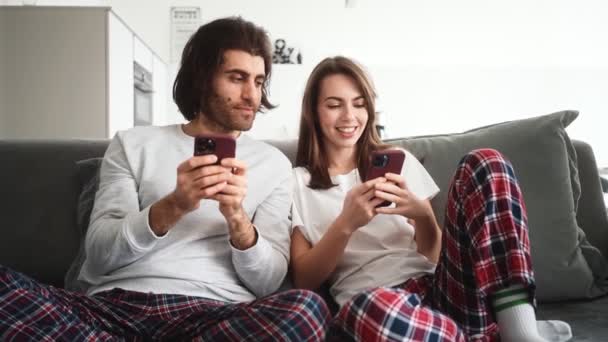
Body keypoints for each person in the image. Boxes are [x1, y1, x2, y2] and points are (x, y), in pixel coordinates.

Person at [0, 17, 330, 341]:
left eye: (258, 82)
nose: (251, 95)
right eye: (237, 78)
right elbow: (100, 254)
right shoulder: (132, 144)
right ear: (202, 80)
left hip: (215, 314)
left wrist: (238, 221)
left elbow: (269, 282)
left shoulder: (273, 165)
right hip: (112, 309)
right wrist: (174, 206)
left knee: (307, 310)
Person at [289, 56, 571, 341]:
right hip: (381, 307)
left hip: (441, 291)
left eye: (359, 104)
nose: (349, 116)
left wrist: (422, 213)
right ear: (313, 111)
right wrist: (346, 224)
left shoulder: (400, 162)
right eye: (335, 105)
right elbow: (304, 280)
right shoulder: (297, 183)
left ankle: (520, 331)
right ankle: (485, 335)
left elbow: (433, 255)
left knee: (486, 160)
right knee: (369, 309)